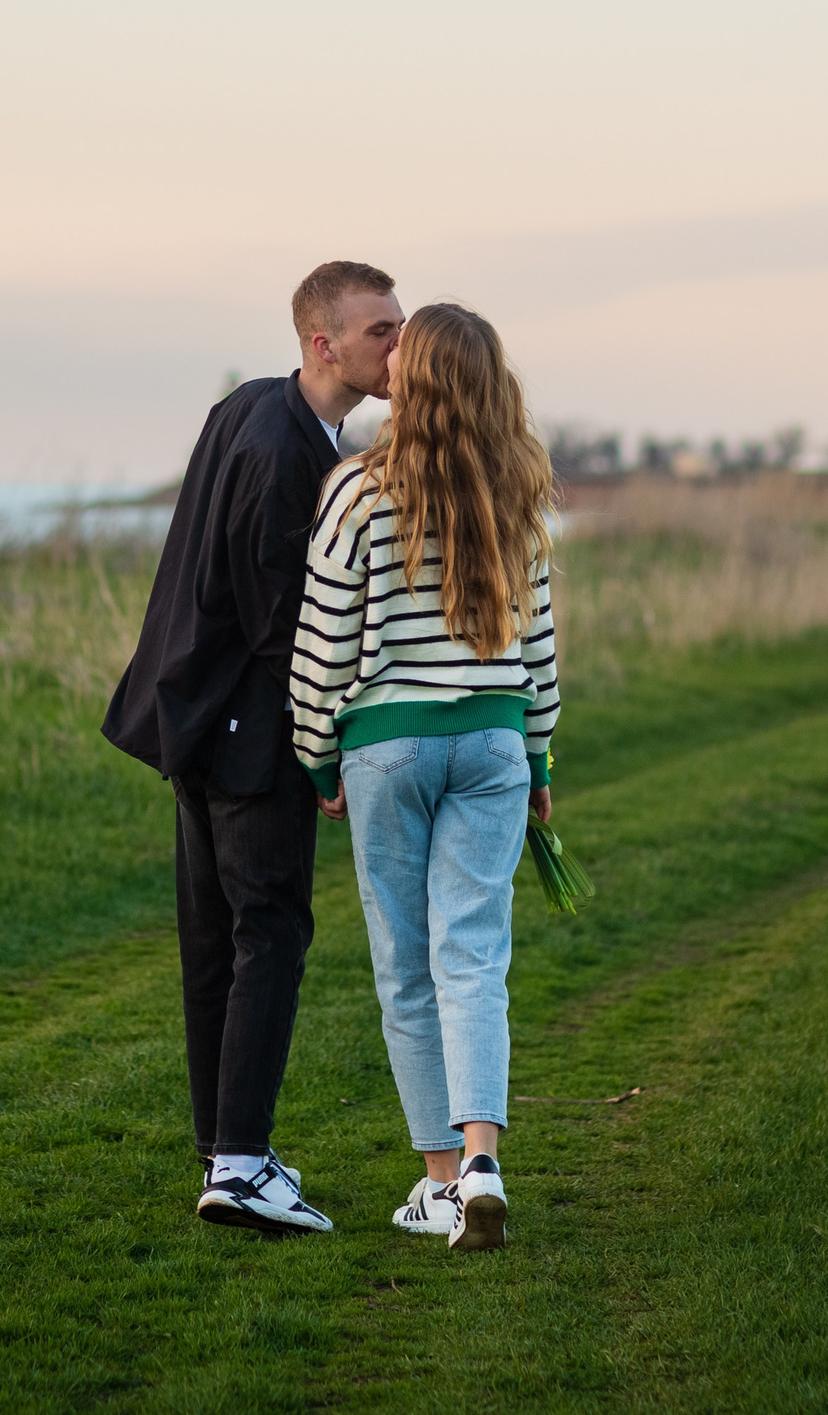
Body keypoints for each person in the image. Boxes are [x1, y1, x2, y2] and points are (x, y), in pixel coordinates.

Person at [103, 261, 405, 1233]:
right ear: (323, 343)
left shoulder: (252, 410)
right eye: (380, 333)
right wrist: (325, 747)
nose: (398, 347)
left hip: (188, 716)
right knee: (267, 934)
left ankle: (226, 1147)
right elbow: (287, 626)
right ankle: (238, 1164)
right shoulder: (288, 453)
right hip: (247, 733)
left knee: (215, 942)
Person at [290, 301, 559, 1252]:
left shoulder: (358, 490)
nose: (388, 357)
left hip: (388, 745)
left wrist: (316, 751)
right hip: (493, 738)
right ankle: (484, 1156)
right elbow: (540, 641)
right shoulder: (517, 489)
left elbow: (324, 641)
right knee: (475, 956)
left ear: (421, 377)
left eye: (404, 348)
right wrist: (539, 757)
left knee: (406, 963)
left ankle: (441, 1183)